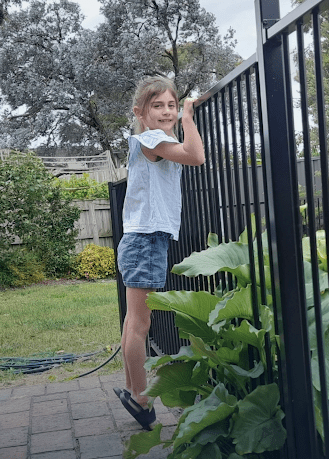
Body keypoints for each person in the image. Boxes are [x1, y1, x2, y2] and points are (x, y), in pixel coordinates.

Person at [113, 75, 205, 431]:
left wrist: (179, 119)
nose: (166, 111)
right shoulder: (151, 138)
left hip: (142, 240)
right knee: (140, 323)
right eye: (158, 106)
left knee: (133, 321)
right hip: (146, 240)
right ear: (140, 112)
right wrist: (187, 116)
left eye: (171, 104)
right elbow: (195, 156)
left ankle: (133, 390)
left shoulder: (150, 140)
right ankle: (139, 398)